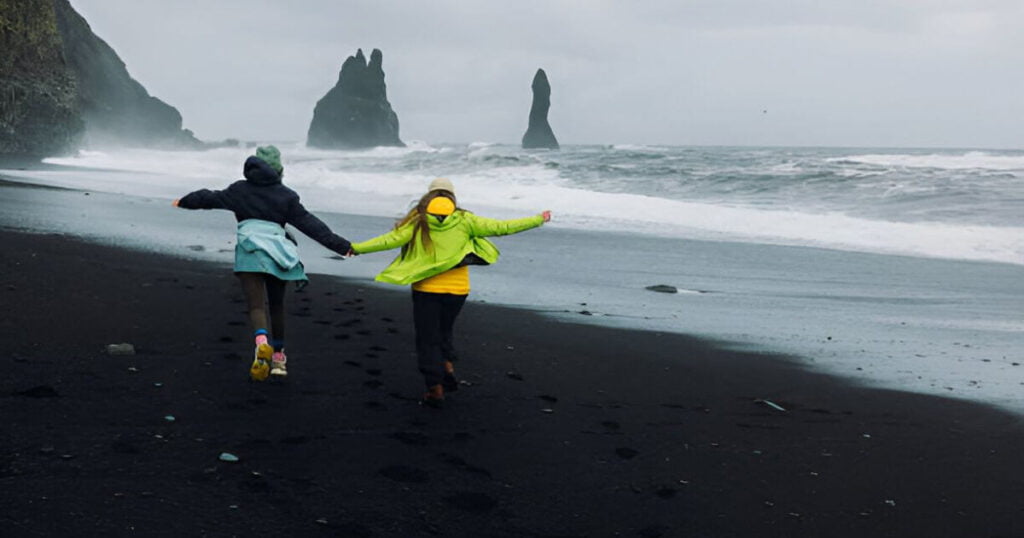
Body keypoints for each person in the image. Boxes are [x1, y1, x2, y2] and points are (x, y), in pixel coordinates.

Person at [350, 178, 551, 407]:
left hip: (427, 290)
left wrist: (356, 248)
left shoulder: (419, 220)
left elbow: (389, 240)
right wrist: (538, 219)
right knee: (444, 331)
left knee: (427, 339)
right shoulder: (465, 220)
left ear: (429, 196)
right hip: (458, 291)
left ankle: (434, 388)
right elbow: (502, 227)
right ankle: (447, 366)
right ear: (451, 197)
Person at [173, 145, 351, 381]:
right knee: (276, 306)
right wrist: (342, 246)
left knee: (256, 306)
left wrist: (183, 201)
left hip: (250, 251)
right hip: (278, 252)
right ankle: (278, 360)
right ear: (279, 169)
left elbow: (209, 197)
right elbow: (311, 225)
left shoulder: (239, 190)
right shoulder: (287, 196)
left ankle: (261, 342)